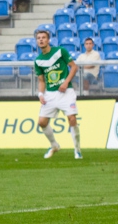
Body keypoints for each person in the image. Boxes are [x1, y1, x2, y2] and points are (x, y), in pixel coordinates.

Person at [34, 29, 82, 160]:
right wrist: (40, 94)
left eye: (43, 37)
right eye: (38, 38)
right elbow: (41, 80)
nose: (41, 40)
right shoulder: (38, 60)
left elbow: (74, 67)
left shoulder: (60, 51)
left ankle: (77, 150)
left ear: (48, 40)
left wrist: (66, 82)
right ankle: (54, 145)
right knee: (42, 122)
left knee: (72, 118)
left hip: (66, 92)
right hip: (50, 94)